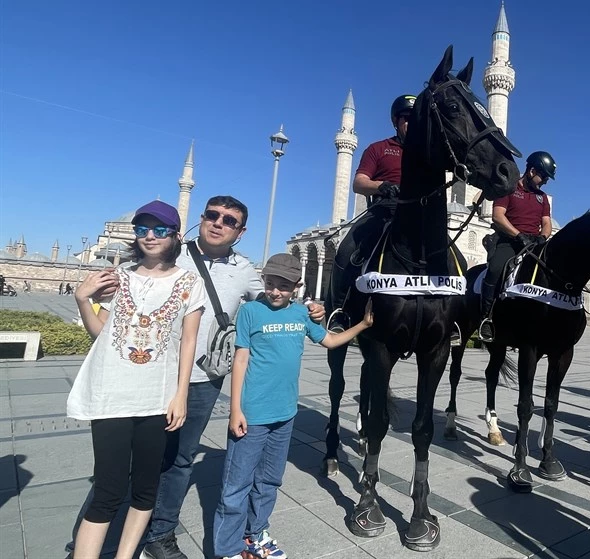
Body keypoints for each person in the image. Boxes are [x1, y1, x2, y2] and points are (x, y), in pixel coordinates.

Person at [65, 195, 325, 559]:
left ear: (240, 232)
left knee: (179, 460)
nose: (219, 223)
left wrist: (312, 309)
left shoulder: (245, 270)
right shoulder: (171, 253)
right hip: (150, 377)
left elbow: (274, 300)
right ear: (200, 219)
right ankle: (84, 541)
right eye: (213, 215)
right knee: (120, 464)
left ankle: (160, 535)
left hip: (202, 379)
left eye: (229, 220)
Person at [66, 200, 207, 559]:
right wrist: (83, 300)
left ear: (174, 236)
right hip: (111, 395)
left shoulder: (189, 283)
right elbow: (100, 334)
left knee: (145, 488)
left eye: (159, 230)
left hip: (157, 399)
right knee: (108, 490)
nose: (150, 236)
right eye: (142, 229)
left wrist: (181, 395)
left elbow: (188, 342)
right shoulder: (118, 278)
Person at [213, 254, 374, 559]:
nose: (275, 291)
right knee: (237, 484)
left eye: (283, 286)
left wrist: (363, 325)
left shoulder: (301, 314)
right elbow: (241, 359)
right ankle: (228, 549)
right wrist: (235, 409)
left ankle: (256, 535)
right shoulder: (250, 311)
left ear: (296, 286)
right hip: (252, 413)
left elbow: (329, 341)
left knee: (269, 480)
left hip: (285, 413)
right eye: (270, 283)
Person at [327, 94, 415, 333]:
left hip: (417, 215)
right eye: (407, 118)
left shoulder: (427, 153)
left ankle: (453, 315)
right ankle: (339, 311)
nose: (412, 123)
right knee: (347, 251)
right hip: (383, 211)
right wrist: (382, 186)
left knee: (454, 257)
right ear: (396, 121)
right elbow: (359, 183)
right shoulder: (379, 149)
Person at [478, 150, 556, 342]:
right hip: (510, 241)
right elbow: (498, 216)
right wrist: (518, 235)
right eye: (544, 177)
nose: (545, 181)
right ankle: (486, 317)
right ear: (531, 171)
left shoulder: (542, 198)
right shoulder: (509, 189)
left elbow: (546, 222)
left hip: (534, 243)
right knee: (496, 269)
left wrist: (542, 237)